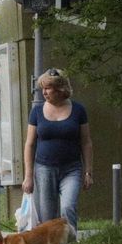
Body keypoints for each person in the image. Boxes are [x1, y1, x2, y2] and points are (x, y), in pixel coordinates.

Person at [22, 68, 93, 231]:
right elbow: (30, 144)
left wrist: (88, 172)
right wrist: (28, 176)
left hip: (72, 169)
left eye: (48, 88)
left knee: (68, 208)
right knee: (48, 218)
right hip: (44, 169)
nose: (44, 92)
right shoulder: (37, 112)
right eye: (43, 88)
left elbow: (86, 142)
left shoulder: (78, 110)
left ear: (60, 89)